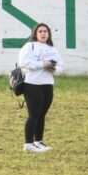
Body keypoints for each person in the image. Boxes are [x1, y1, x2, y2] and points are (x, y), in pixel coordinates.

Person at [17, 22, 63, 153]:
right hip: (32, 84)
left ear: (49, 34)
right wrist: (43, 64)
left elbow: (61, 66)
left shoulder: (52, 49)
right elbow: (23, 62)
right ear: (36, 34)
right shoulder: (30, 46)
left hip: (47, 84)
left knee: (42, 114)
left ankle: (38, 141)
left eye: (45, 31)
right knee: (34, 114)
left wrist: (54, 69)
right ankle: (28, 144)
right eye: (40, 31)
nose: (43, 34)